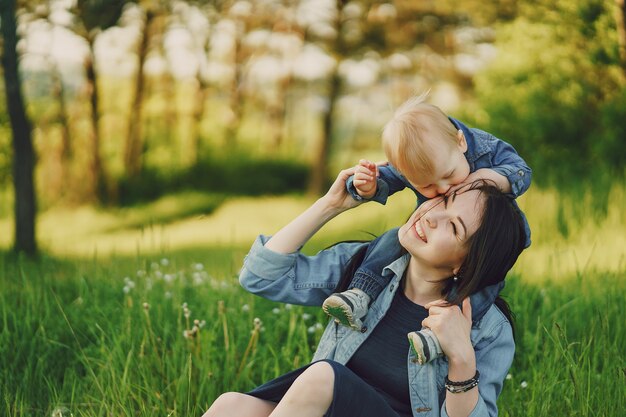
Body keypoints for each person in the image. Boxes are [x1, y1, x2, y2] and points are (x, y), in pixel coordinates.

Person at [203, 166, 526, 417]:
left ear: (466, 265)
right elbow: (259, 277)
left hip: (328, 391)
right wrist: (330, 205)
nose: (432, 217)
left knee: (323, 378)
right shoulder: (365, 271)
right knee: (231, 406)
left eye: (454, 227)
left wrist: (461, 358)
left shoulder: (486, 328)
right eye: (443, 201)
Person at [322, 93, 531, 364]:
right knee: (390, 240)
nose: (443, 189)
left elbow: (522, 171)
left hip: (488, 241)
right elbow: (386, 178)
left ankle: (448, 329)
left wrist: (491, 178)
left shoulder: (484, 147)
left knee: (482, 282)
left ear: (460, 142)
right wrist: (367, 186)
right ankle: (360, 292)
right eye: (427, 186)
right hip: (438, 230)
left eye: (447, 175)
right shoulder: (413, 161)